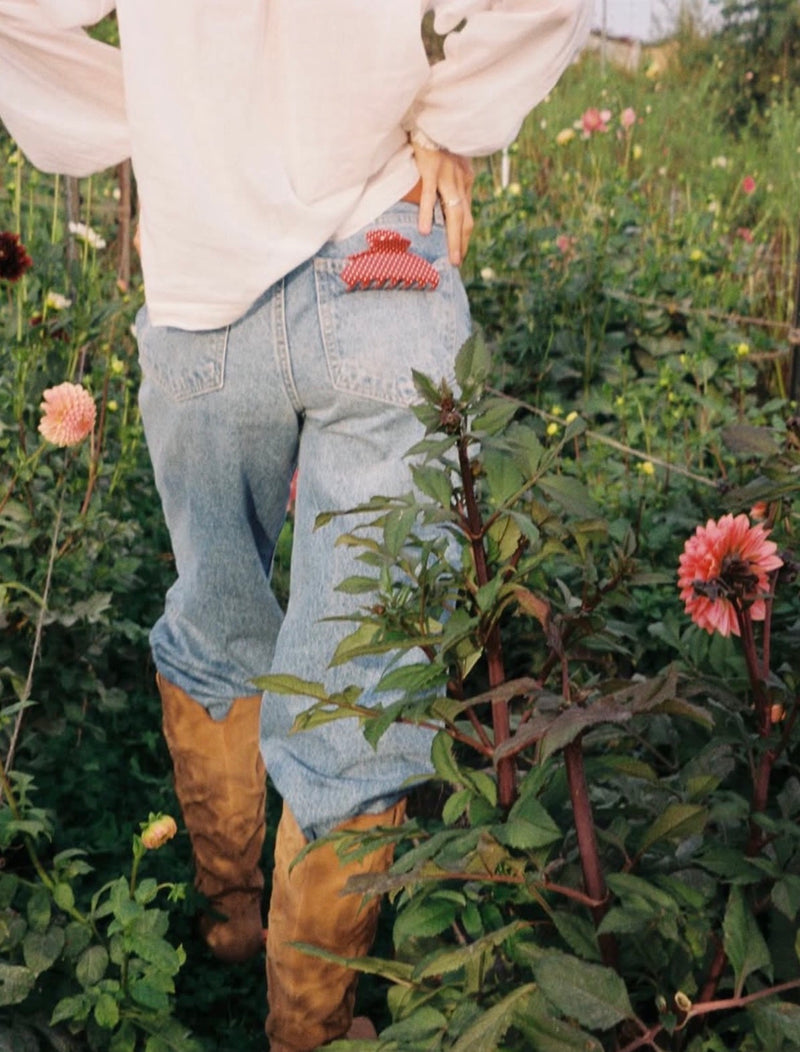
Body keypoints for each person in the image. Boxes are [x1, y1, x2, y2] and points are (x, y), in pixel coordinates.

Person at [0, 2, 592, 1047]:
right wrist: (450, 119)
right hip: (382, 255)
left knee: (217, 606)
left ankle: (230, 917)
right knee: (359, 676)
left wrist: (156, 117)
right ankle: (305, 1024)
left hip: (203, 283)